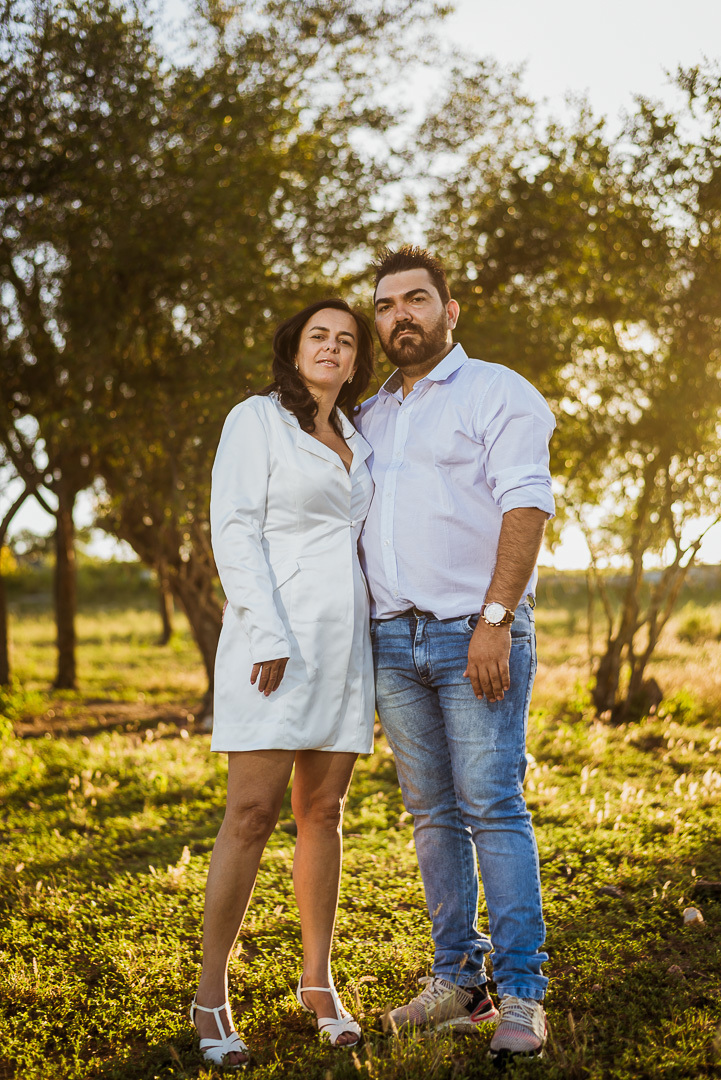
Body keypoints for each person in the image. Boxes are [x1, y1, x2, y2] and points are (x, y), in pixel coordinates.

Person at [357, 247, 555, 1062]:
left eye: (416, 300)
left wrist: (494, 619)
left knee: (491, 806)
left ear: (449, 310)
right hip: (390, 640)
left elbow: (526, 502)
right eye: (385, 306)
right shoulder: (369, 413)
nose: (400, 315)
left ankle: (521, 994)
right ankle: (456, 981)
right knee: (432, 816)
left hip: (471, 632)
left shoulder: (495, 391)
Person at [191, 298, 376, 1068]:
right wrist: (265, 631)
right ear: (294, 351)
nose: (331, 348)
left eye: (344, 340)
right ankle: (208, 997)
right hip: (275, 641)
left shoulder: (359, 437)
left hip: (346, 644)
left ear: (355, 358)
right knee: (251, 814)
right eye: (317, 337)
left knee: (323, 812)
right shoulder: (257, 419)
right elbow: (232, 527)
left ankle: (316, 983)